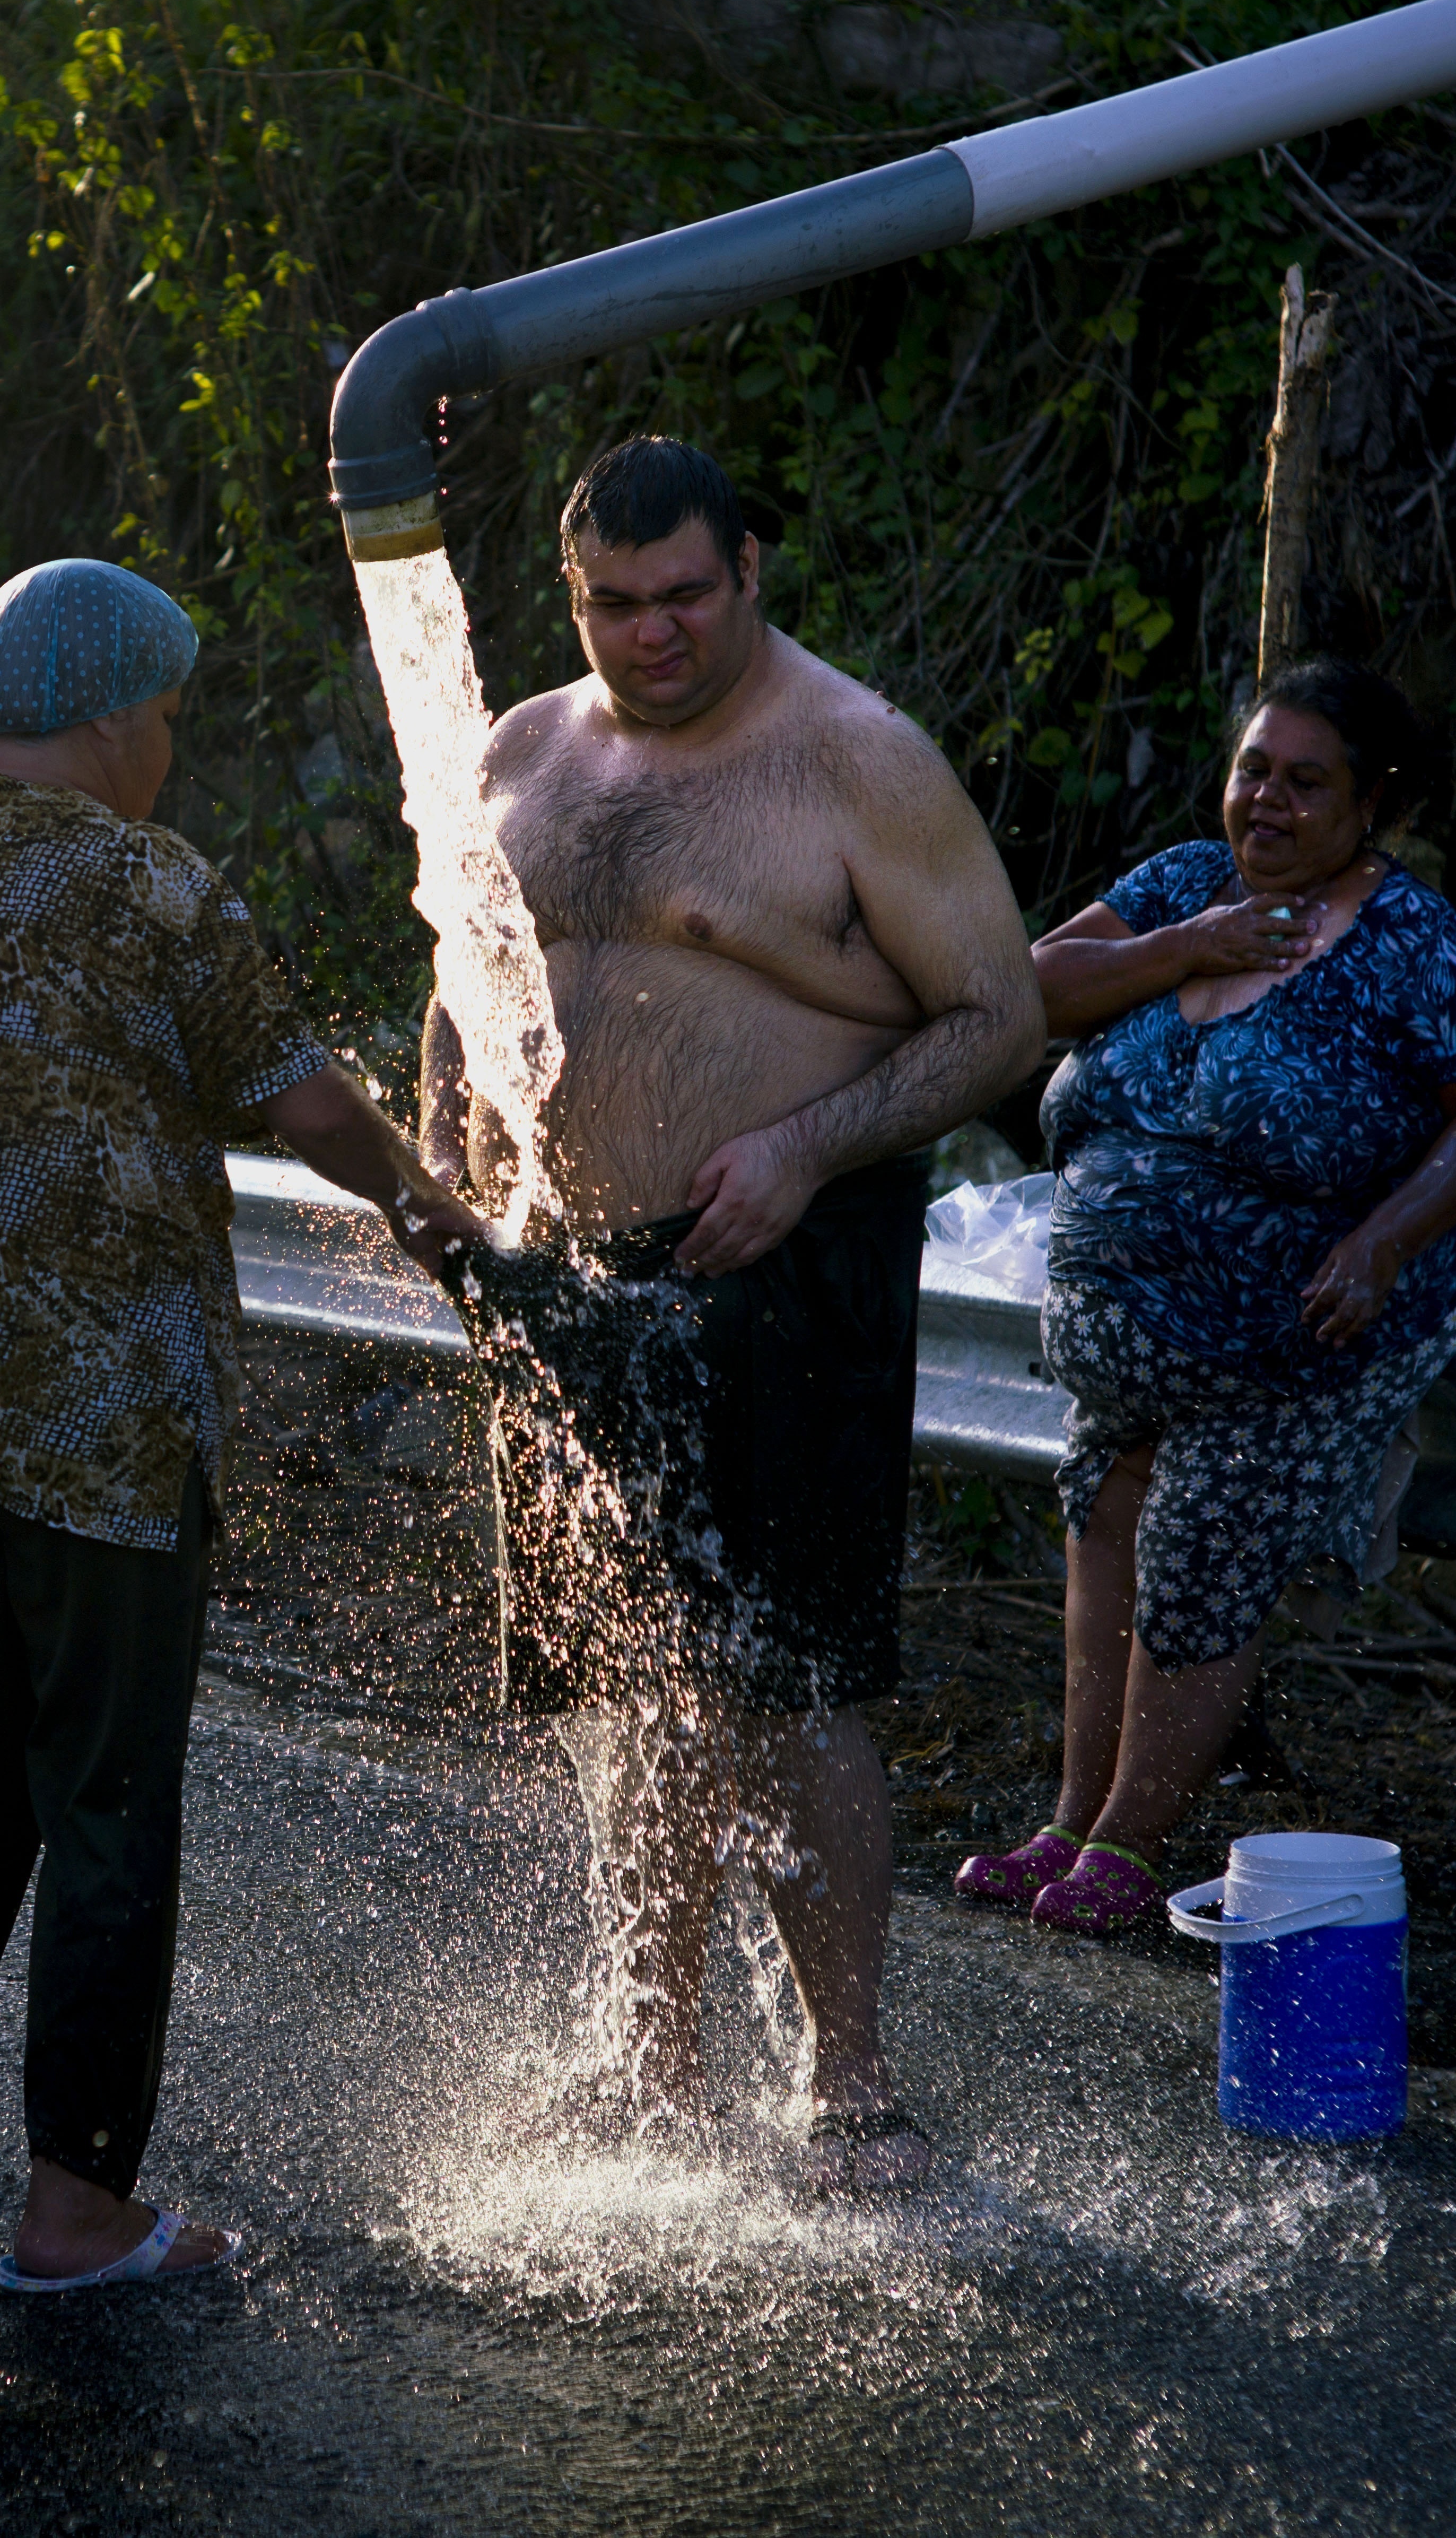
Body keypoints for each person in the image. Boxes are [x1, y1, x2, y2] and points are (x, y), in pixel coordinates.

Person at [0, 559, 485, 2288]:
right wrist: (442, 1217)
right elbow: (301, 1098)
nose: (163, 743)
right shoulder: (144, 884)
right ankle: (74, 2203)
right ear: (96, 715)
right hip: (106, 1421)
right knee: (99, 1794)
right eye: (158, 714)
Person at [421, 438, 1043, 2185]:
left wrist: (799, 1140)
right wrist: (457, 1188)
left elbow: (996, 1016)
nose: (651, 630)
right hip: (571, 1274)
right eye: (613, 602)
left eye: (684, 592)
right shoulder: (523, 749)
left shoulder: (853, 759)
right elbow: (461, 976)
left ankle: (849, 2084)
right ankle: (651, 2052)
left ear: (749, 567)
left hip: (784, 1253)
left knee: (788, 1679)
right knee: (630, 1678)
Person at [956, 659, 1456, 1933]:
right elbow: (1028, 992)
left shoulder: (1408, 945)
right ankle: (1066, 1817)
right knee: (1103, 1511)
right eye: (1252, 770)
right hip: (1131, 1340)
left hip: (1293, 1334)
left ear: (1369, 801)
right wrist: (1190, 946)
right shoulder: (1179, 885)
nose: (1266, 801)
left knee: (1197, 1543)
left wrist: (1383, 1239)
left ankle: (1129, 1839)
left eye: (1305, 782)